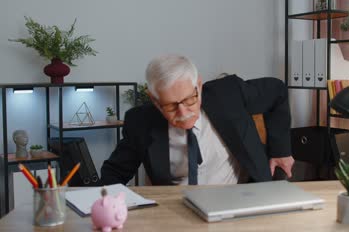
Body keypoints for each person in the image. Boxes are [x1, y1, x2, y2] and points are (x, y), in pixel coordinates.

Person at [101, 55, 294, 185]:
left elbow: (277, 91)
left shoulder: (228, 94)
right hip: (177, 213)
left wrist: (281, 150)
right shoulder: (141, 121)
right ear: (154, 100)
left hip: (240, 199)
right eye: (170, 105)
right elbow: (115, 173)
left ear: (199, 86)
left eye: (190, 99)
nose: (183, 112)